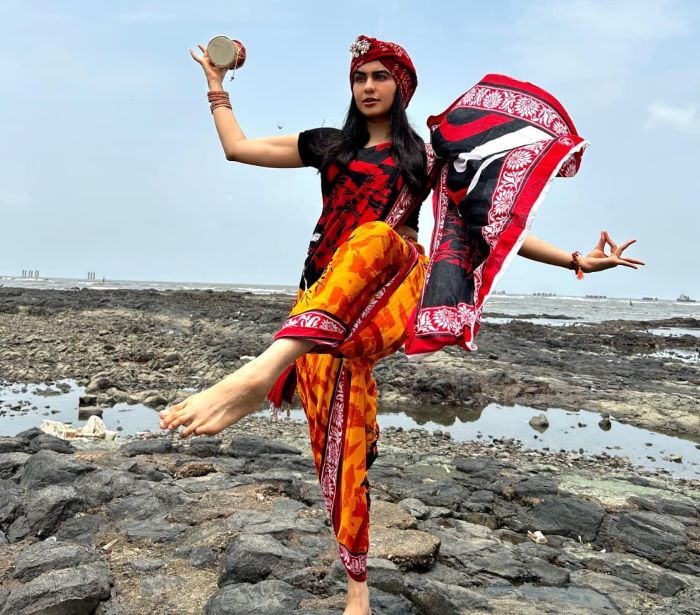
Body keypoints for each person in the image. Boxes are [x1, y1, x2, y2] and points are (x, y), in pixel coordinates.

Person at [160, 35, 644, 615]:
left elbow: (489, 223)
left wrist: (575, 260)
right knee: (340, 448)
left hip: (393, 288)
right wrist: (215, 85)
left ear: (402, 86)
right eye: (359, 77)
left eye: (380, 76)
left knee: (373, 236)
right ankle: (358, 591)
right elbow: (238, 149)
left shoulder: (429, 156)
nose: (367, 86)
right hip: (322, 307)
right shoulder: (329, 145)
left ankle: (258, 375)